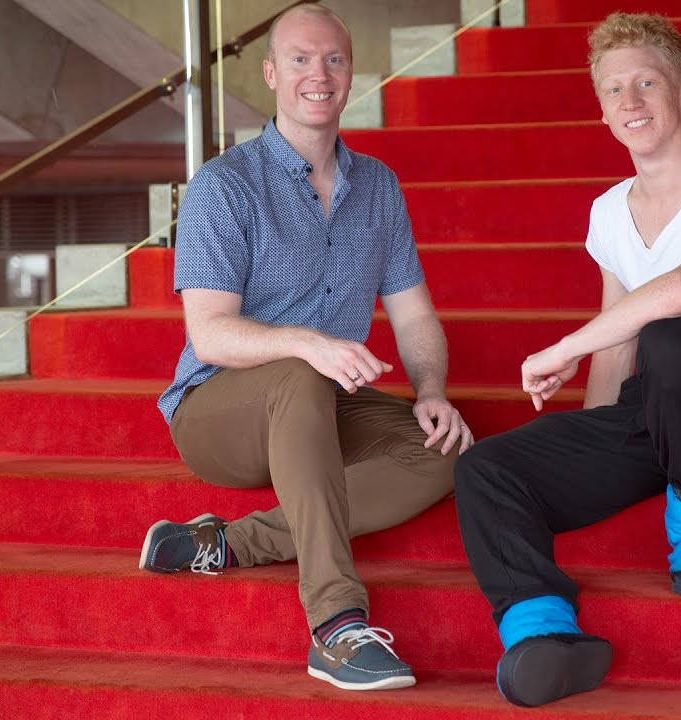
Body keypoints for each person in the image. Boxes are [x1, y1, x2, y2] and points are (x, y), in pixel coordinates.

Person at [452, 11, 681, 708]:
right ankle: (542, 630)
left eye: (647, 82)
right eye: (614, 90)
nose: (631, 102)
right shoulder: (609, 211)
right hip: (662, 412)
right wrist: (590, 443)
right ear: (601, 107)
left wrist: (563, 346)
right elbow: (617, 340)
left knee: (672, 337)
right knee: (485, 467)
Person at [138, 4, 473, 692]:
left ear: (349, 74)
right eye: (300, 60)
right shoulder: (223, 187)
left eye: (334, 60)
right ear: (270, 74)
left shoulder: (378, 186)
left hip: (324, 397)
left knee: (449, 451)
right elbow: (210, 333)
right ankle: (336, 626)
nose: (318, 75)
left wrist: (432, 390)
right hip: (216, 411)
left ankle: (228, 543)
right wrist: (310, 344)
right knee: (296, 371)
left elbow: (414, 318)